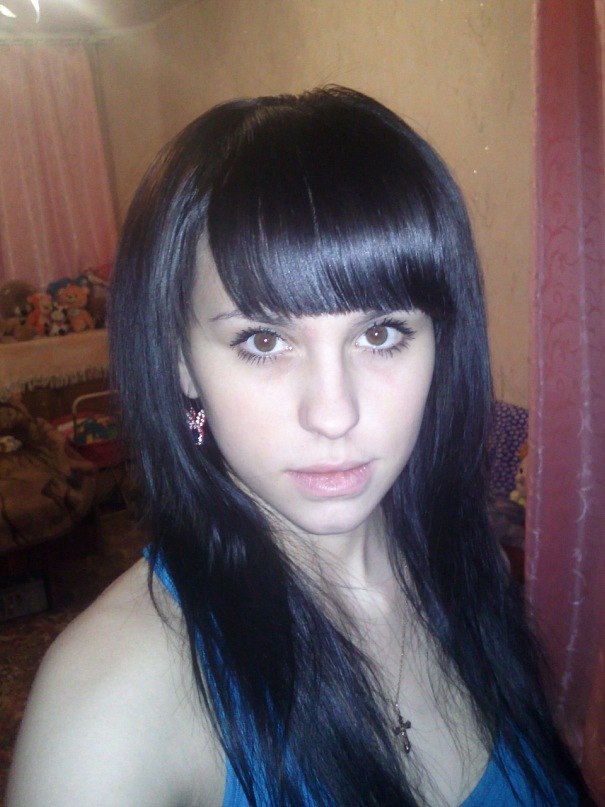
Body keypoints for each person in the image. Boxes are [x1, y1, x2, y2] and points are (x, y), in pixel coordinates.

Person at [7, 87, 590, 806]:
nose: (333, 413)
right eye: (263, 340)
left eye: (380, 333)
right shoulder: (107, 708)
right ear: (181, 363)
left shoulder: (471, 567)